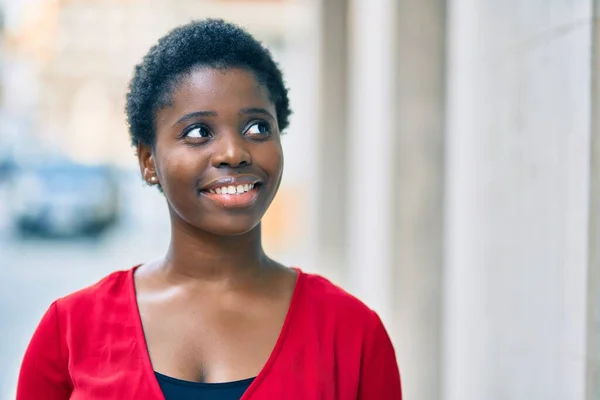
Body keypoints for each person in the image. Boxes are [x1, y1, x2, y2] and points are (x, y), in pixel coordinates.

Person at [16, 19, 401, 400]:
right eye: (199, 132)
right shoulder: (69, 331)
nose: (234, 152)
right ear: (149, 161)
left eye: (257, 128)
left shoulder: (353, 333)